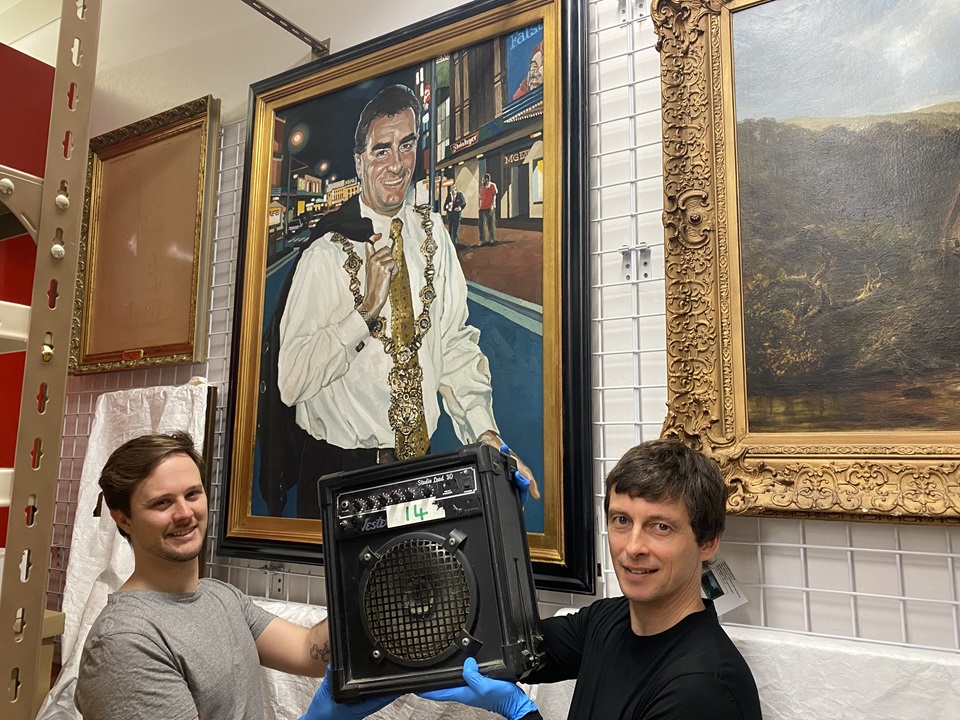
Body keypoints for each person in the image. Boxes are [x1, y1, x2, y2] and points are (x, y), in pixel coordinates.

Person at [267, 83, 536, 518]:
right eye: (381, 151)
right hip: (339, 475)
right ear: (359, 162)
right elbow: (291, 380)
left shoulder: (434, 237)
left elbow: (454, 345)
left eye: (406, 146)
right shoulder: (325, 254)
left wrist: (485, 433)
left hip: (415, 471)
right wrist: (364, 313)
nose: (396, 165)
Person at [423, 439, 763, 719]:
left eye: (661, 527)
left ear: (707, 542)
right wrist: (496, 528)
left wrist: (521, 713)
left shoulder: (704, 688)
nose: (632, 547)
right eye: (621, 521)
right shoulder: (607, 620)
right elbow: (495, 642)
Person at [74, 432, 396, 720]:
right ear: (124, 519)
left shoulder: (220, 597)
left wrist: (381, 589)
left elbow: (307, 650)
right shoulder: (125, 643)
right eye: (162, 503)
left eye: (192, 494)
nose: (185, 513)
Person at [478, 173, 498, 246]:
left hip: (490, 208)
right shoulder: (482, 187)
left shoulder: (492, 185)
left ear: (487, 180)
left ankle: (492, 238)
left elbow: (494, 196)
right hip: (482, 208)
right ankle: (482, 240)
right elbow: (480, 197)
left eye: (483, 179)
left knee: (491, 224)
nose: (482, 181)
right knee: (481, 225)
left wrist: (492, 205)